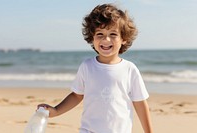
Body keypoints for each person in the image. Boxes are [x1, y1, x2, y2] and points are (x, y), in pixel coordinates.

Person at [38, 3, 153, 133]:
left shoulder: (129, 69)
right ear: (92, 37)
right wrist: (56, 110)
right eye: (100, 34)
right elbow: (76, 95)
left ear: (124, 39)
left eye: (113, 34)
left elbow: (140, 103)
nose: (106, 39)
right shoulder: (87, 67)